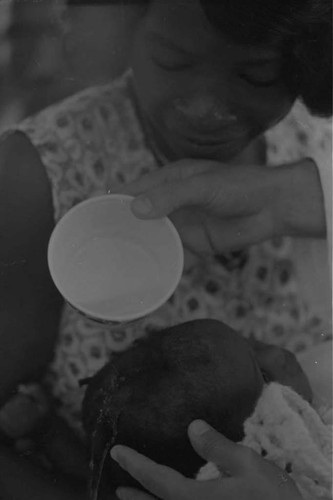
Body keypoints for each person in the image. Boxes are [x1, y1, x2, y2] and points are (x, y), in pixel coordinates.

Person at [0, 0, 331, 498]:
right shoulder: (39, 177)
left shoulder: (314, 151)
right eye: (173, 61)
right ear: (123, 28)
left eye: (256, 76)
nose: (205, 106)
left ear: (308, 65)